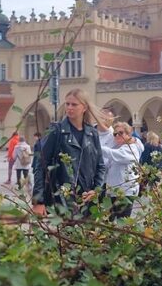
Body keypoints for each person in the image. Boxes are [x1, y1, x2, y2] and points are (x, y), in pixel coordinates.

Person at [32, 88, 106, 216]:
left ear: (84, 107)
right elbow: (41, 165)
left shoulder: (92, 133)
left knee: (88, 235)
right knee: (67, 234)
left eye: (74, 104)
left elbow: (100, 166)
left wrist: (96, 190)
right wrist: (38, 201)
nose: (69, 108)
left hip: (87, 199)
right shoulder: (56, 131)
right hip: (62, 199)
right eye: (67, 104)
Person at [98, 120, 144, 219]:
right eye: (115, 134)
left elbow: (118, 156)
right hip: (113, 191)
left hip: (126, 192)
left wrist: (97, 147)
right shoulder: (119, 147)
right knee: (108, 221)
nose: (117, 135)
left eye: (121, 133)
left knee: (122, 222)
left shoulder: (132, 148)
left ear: (128, 134)